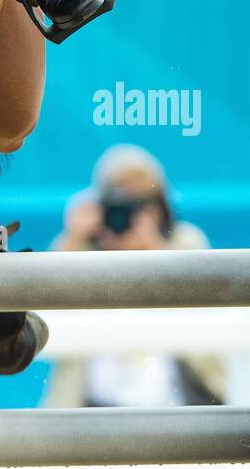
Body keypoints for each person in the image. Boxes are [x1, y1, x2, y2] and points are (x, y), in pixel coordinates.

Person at [44, 145, 226, 408]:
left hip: (180, 403)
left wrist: (157, 255)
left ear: (162, 205)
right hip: (91, 412)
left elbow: (209, 308)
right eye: (119, 203)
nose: (129, 216)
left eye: (142, 203)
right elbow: (41, 306)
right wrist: (74, 238)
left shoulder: (185, 242)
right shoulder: (82, 251)